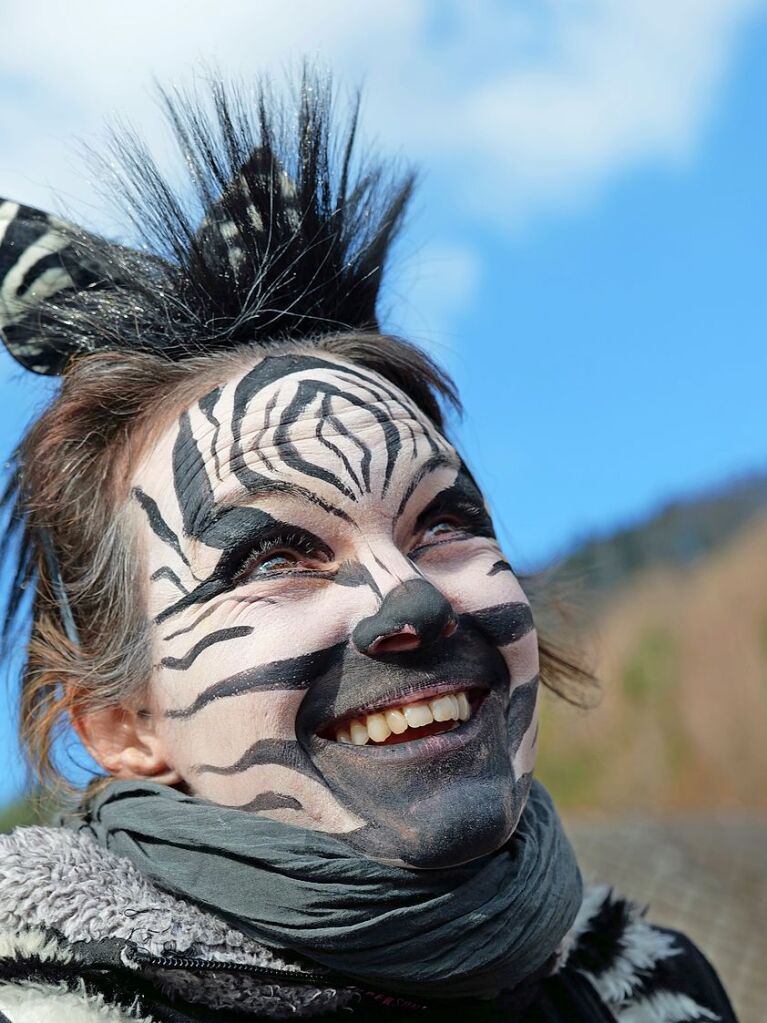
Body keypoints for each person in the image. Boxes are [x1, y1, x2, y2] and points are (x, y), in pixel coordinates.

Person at [0, 71, 737, 1023]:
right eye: (270, 557)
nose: (412, 599)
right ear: (119, 722)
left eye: (443, 523)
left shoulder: (653, 991)